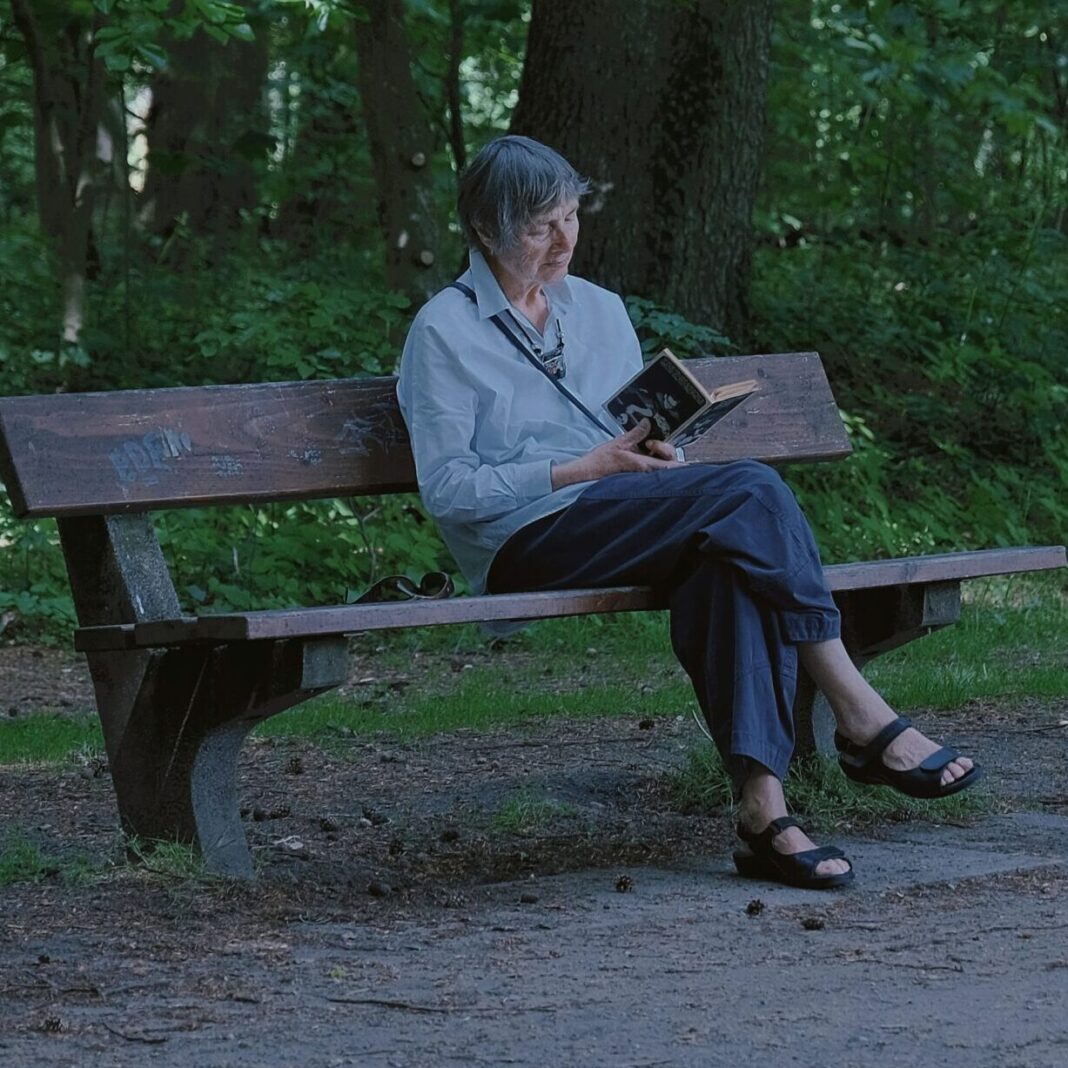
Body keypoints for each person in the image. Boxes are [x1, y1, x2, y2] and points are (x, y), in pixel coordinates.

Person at [396, 135, 979, 890]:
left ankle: (764, 814)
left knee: (725, 565)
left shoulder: (599, 310)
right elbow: (447, 490)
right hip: (528, 538)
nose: (564, 240)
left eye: (571, 217)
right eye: (540, 227)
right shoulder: (443, 330)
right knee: (754, 490)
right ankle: (859, 713)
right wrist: (584, 466)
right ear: (485, 231)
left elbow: (628, 438)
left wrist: (657, 453)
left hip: (624, 512)